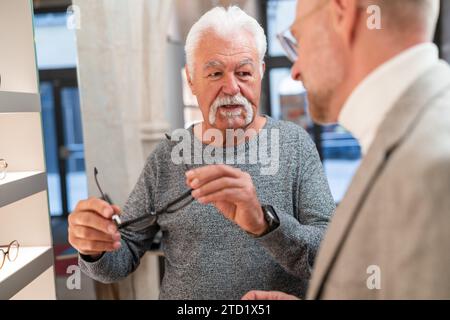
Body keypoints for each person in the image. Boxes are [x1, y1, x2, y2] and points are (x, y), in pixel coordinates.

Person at [68, 6, 335, 300]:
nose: (231, 87)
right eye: (215, 73)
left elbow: (328, 256)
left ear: (261, 74)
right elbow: (121, 258)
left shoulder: (295, 145)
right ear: (192, 81)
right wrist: (94, 249)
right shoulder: (168, 155)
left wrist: (264, 222)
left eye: (244, 72)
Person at [238, 0, 450, 300]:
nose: (295, 71)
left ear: (343, 12)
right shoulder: (406, 138)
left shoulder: (435, 167)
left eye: (298, 39)